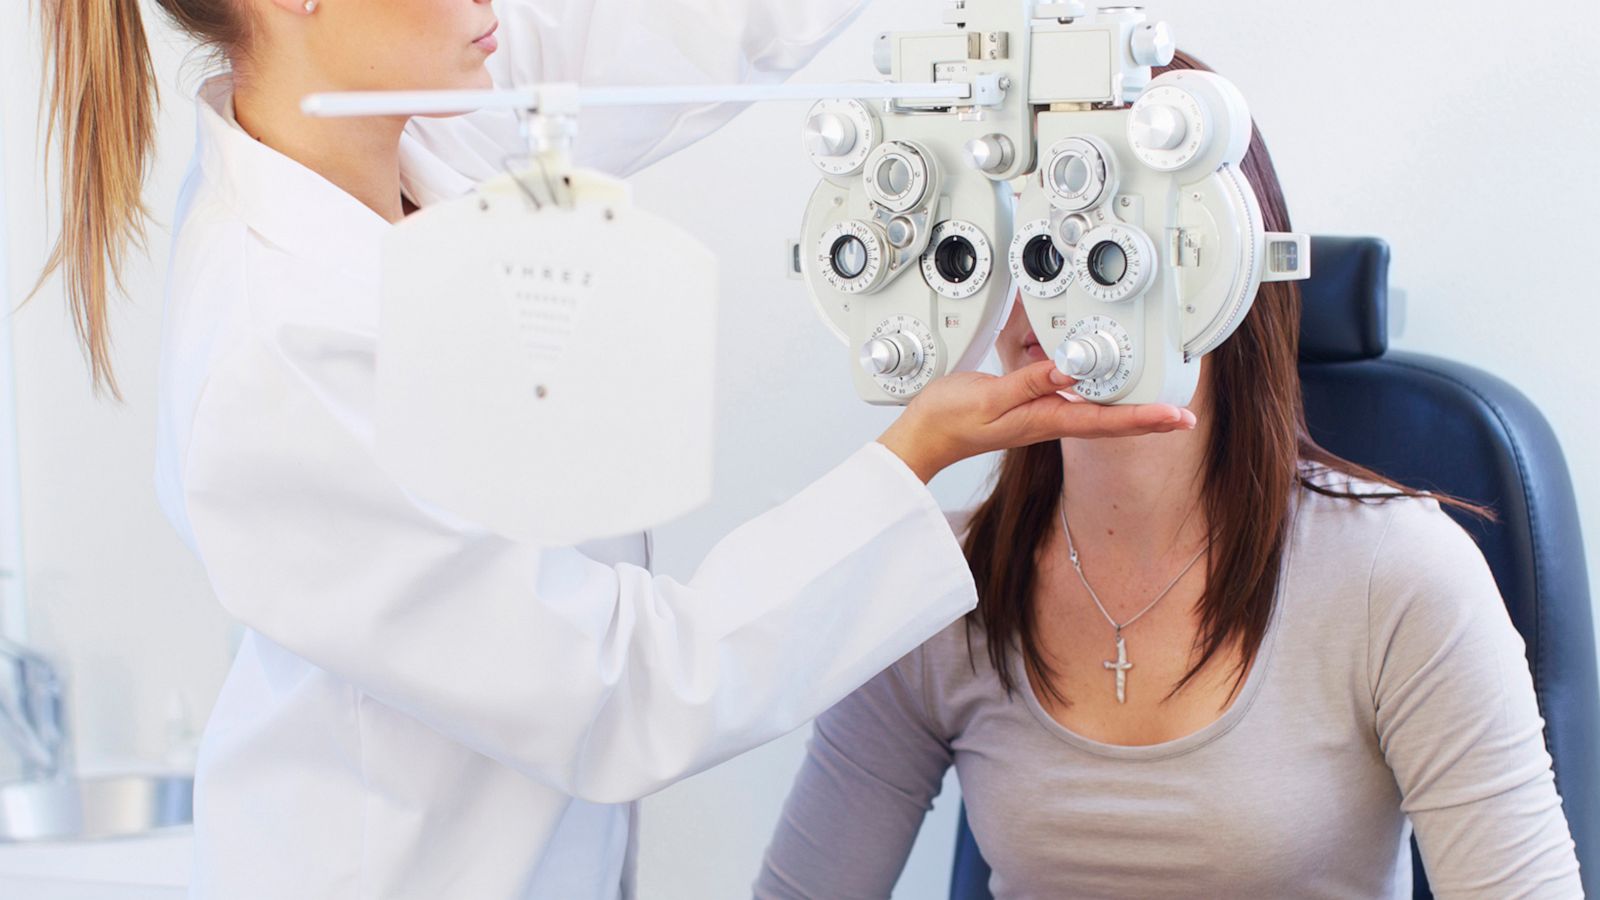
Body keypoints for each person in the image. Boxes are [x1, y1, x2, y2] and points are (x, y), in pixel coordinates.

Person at [31, 0, 1197, 897]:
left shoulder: (421, 120)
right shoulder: (280, 349)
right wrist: (910, 458)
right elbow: (628, 686)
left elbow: (683, 27)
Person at [755, 51, 1583, 899]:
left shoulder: (1401, 578)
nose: (1054, 291)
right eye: (1021, 236)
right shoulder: (933, 589)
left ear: (1218, 256)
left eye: (1106, 240)